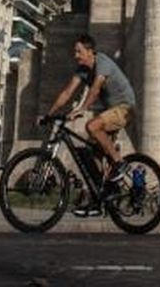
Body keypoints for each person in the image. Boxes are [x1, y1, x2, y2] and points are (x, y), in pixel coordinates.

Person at [41, 34, 136, 213]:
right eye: (75, 52)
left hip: (125, 108)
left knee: (92, 126)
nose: (76, 55)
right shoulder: (82, 70)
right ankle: (100, 199)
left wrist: (82, 109)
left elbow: (95, 89)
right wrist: (49, 114)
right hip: (111, 112)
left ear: (90, 51)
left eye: (79, 51)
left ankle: (119, 163)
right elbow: (67, 92)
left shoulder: (102, 62)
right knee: (91, 153)